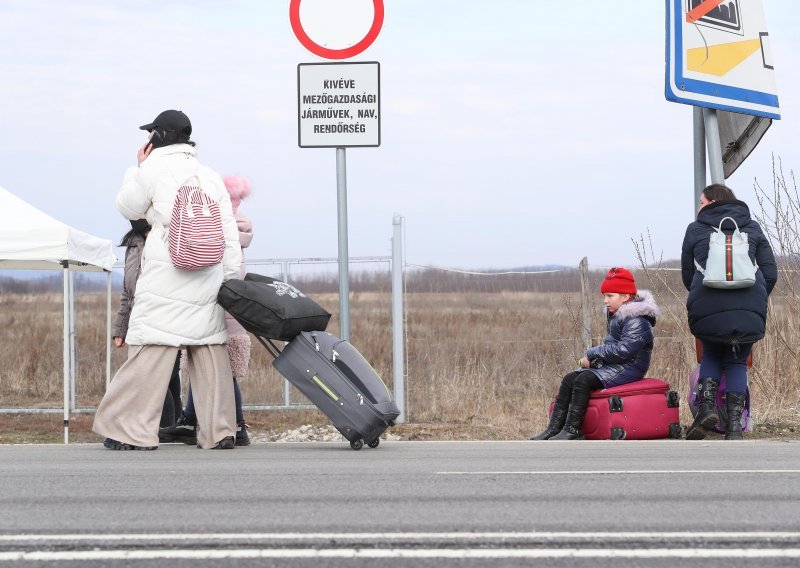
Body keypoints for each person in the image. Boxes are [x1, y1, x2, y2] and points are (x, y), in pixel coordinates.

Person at [93, 109, 242, 450]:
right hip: (207, 276)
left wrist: (138, 167)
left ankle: (130, 432)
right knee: (208, 354)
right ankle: (219, 432)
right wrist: (229, 278)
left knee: (150, 354)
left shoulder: (153, 169)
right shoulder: (210, 176)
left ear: (158, 136)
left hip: (166, 277)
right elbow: (228, 232)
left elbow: (128, 207)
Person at [160, 175, 254, 447]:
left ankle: (236, 424)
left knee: (221, 373)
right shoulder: (236, 233)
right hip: (231, 313)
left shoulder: (218, 231)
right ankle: (191, 419)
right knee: (215, 371)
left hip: (218, 313)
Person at [681, 183, 777, 441]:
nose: (699, 207)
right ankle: (734, 425)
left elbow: (688, 276)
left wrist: (704, 296)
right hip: (749, 306)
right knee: (736, 360)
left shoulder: (696, 229)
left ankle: (707, 411)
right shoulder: (752, 227)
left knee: (711, 352)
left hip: (707, 303)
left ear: (712, 201)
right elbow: (770, 273)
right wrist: (752, 298)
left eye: (701, 202)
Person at [530, 267, 659, 440]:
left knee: (584, 380)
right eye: (604, 296)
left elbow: (623, 351)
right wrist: (597, 361)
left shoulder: (637, 320)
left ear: (626, 296)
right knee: (570, 379)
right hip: (618, 363)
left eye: (610, 296)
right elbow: (614, 349)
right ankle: (554, 428)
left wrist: (592, 354)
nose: (605, 301)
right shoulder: (618, 314)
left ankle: (572, 430)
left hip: (631, 366)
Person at [113, 219, 182, 428]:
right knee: (163, 378)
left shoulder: (168, 237)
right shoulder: (133, 245)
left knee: (160, 378)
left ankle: (165, 428)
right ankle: (171, 428)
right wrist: (121, 328)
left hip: (167, 318)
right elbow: (128, 291)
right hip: (142, 320)